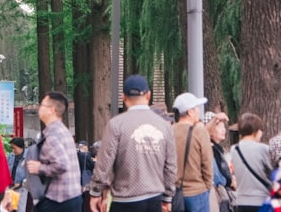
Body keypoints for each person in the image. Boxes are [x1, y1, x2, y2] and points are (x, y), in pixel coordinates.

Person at [88, 75, 177, 212]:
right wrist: (167, 197)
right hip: (154, 198)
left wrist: (96, 192)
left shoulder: (116, 124)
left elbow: (104, 162)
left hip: (125, 199)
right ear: (148, 95)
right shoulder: (164, 126)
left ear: (124, 97)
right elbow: (171, 165)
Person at [26, 92, 83, 212]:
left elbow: (62, 164)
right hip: (72, 195)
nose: (39, 108)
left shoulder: (52, 135)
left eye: (42, 105)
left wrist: (39, 168)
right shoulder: (63, 130)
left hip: (58, 199)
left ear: (51, 110)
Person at [172, 92, 213, 212]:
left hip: (175, 194)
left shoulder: (169, 131)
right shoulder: (199, 132)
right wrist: (207, 187)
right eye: (196, 109)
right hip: (197, 192)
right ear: (189, 112)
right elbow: (207, 164)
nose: (199, 111)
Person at [229, 113, 273, 212]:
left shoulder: (234, 149)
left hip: (241, 202)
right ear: (256, 131)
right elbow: (272, 173)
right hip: (262, 200)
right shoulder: (263, 149)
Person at [205, 112, 233, 212]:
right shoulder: (210, 149)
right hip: (216, 194)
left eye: (224, 127)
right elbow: (216, 176)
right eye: (219, 126)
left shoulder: (219, 150)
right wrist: (230, 181)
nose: (223, 130)